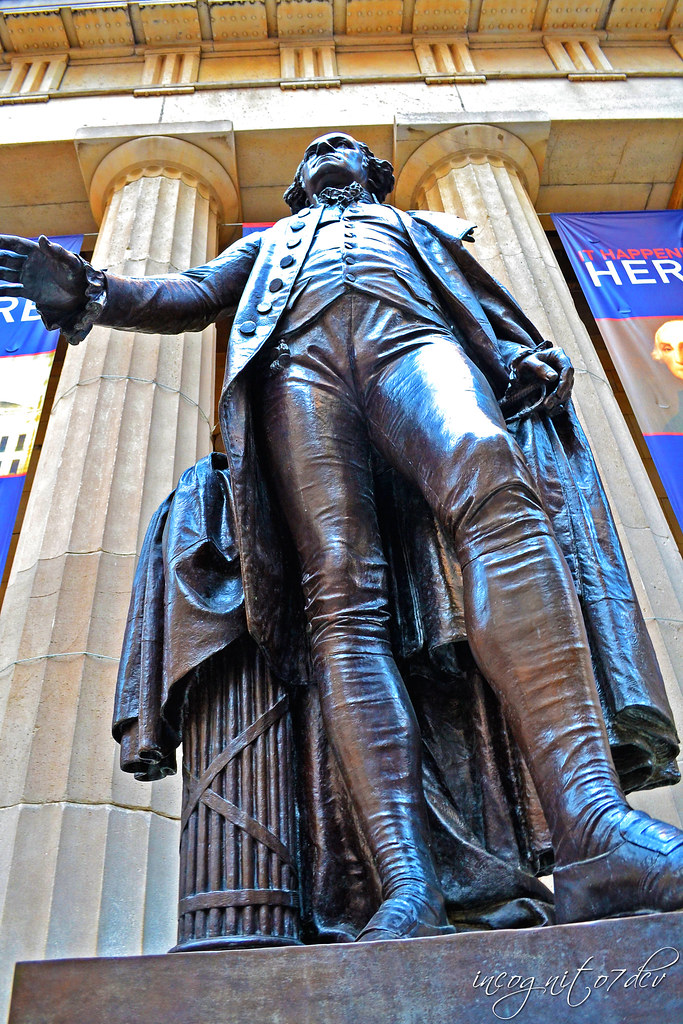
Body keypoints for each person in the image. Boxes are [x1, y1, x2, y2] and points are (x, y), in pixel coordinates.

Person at [1, 133, 682, 942]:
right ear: (296, 189)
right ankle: (407, 885)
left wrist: (517, 354)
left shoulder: (414, 228)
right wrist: (95, 291)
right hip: (299, 372)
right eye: (315, 151)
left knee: (493, 480)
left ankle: (592, 827)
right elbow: (186, 295)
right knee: (340, 600)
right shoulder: (272, 247)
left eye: (347, 147)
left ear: (374, 176)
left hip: (412, 345)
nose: (328, 149)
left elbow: (484, 312)